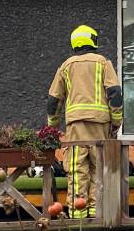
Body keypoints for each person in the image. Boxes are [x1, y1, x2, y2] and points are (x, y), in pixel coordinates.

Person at [47, 25, 123, 218]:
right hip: (100, 124)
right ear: (93, 41)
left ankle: (77, 212)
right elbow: (114, 93)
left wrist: (52, 127)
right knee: (98, 168)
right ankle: (97, 211)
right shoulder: (103, 63)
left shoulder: (65, 66)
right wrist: (117, 120)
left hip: (75, 126)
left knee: (77, 168)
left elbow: (54, 100)